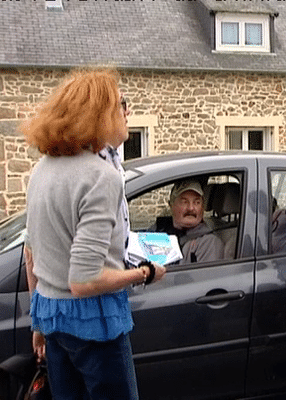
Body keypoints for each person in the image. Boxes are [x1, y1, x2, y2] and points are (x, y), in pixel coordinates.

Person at [21, 68, 166, 400]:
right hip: (93, 323)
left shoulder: (43, 168)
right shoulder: (101, 176)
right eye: (119, 106)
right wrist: (145, 273)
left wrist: (38, 325)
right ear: (99, 115)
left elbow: (31, 254)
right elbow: (84, 281)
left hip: (51, 316)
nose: (126, 113)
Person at [153, 179, 224, 263]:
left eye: (197, 202)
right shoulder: (159, 228)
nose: (191, 208)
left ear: (202, 207)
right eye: (184, 202)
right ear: (171, 204)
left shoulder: (209, 243)